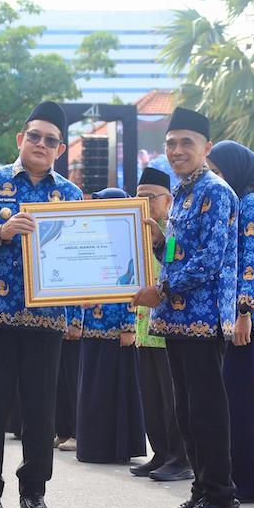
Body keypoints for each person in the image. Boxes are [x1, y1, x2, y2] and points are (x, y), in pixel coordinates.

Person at [0, 101, 83, 508]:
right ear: (20, 139)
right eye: (35, 136)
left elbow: (83, 255)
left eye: (50, 140)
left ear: (60, 149)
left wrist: (81, 309)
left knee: (41, 409)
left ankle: (34, 494)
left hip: (46, 319)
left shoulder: (69, 194)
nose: (41, 144)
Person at [132, 107, 241, 508]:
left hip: (202, 319)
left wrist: (159, 289)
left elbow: (210, 262)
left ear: (206, 148)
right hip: (175, 320)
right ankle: (202, 491)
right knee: (187, 412)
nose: (177, 151)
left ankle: (222, 500)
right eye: (171, 144)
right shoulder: (184, 193)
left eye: (186, 144)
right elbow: (180, 256)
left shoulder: (215, 192)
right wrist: (160, 244)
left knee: (207, 412)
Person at [208, 141, 254, 503]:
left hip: (248, 321)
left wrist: (244, 313)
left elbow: (252, 266)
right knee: (236, 402)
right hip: (234, 318)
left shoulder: (252, 204)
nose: (214, 179)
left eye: (218, 172)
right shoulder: (234, 204)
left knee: (247, 401)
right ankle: (242, 480)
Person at [75, 188, 146, 464]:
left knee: (114, 390)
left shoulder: (128, 241)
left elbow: (134, 286)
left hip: (117, 329)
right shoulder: (93, 240)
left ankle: (116, 448)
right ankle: (93, 447)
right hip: (92, 325)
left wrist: (129, 326)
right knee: (92, 390)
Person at [131, 167, 192, 482]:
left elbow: (174, 262)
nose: (143, 202)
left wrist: (160, 238)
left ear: (167, 199)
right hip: (143, 327)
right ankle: (160, 453)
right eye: (138, 196)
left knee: (172, 399)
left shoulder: (176, 230)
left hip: (168, 326)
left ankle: (181, 458)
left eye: (149, 197)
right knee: (152, 397)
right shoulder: (134, 231)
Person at [54, 305, 82, 452]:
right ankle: (63, 431)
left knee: (74, 382)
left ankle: (77, 434)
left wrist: (76, 321)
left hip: (74, 323)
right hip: (59, 322)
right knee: (61, 383)